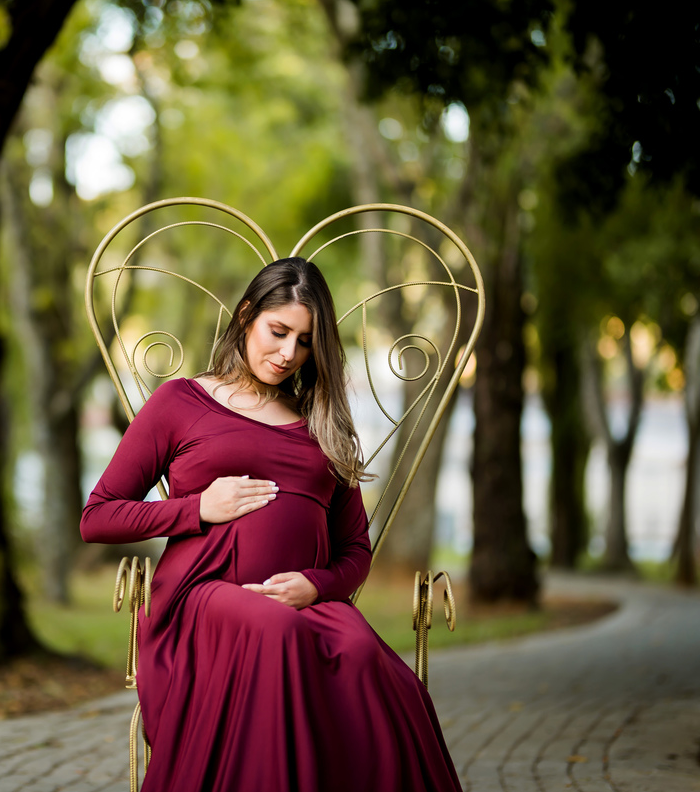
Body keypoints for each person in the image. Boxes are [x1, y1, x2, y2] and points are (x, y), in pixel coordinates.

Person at [80, 257, 462, 792]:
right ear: (245, 318)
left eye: (304, 342)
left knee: (364, 654)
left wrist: (319, 584)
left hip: (303, 607)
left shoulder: (321, 425)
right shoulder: (182, 403)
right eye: (277, 331)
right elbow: (98, 517)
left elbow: (355, 549)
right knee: (272, 629)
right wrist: (197, 509)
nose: (288, 354)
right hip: (204, 602)